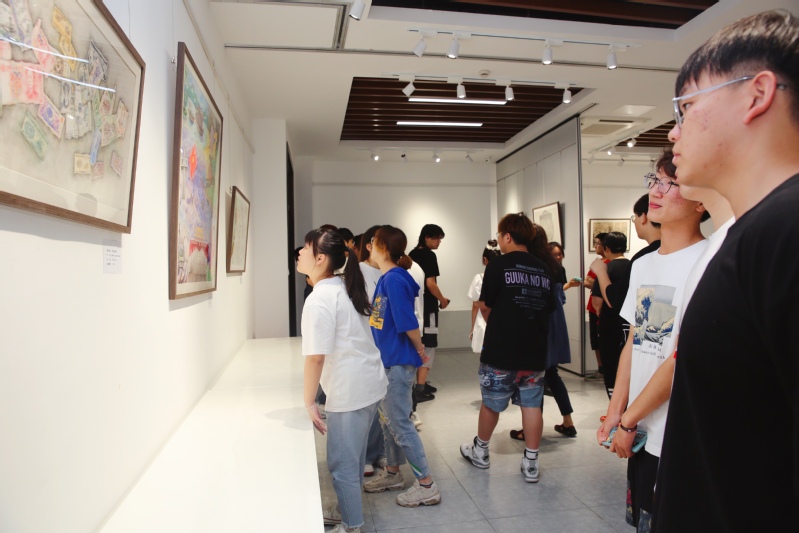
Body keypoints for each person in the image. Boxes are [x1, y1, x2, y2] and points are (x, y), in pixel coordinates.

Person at [654, 11, 799, 531]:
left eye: (687, 107)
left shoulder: (785, 229)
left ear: (757, 94)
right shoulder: (750, 232)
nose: (674, 131)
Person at [596, 149, 708, 533]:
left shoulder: (709, 260)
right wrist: (617, 411)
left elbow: (681, 358)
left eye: (670, 183)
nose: (655, 191)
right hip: (644, 428)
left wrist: (628, 420)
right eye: (655, 180)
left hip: (678, 431)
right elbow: (641, 339)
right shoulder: (645, 263)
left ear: (701, 200)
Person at [298, 228, 388, 533]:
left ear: (320, 258)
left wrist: (309, 402)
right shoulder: (344, 285)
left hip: (351, 391)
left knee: (342, 466)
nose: (300, 252)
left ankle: (351, 526)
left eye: (306, 247)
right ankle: (345, 511)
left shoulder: (320, 298)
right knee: (354, 458)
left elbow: (315, 358)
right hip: (370, 383)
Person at [460, 213, 554, 483]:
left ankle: (480, 451)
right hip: (535, 351)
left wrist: (501, 325)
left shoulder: (498, 265)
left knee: (491, 404)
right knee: (532, 405)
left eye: (500, 235)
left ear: (508, 236)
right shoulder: (544, 269)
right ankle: (531, 463)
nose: (499, 240)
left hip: (501, 350)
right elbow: (547, 310)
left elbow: (485, 306)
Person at [364, 226, 442, 507]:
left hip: (398, 362)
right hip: (388, 360)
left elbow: (406, 319)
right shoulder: (388, 278)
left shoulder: (395, 278)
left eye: (372, 242)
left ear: (383, 246)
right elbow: (380, 319)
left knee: (400, 423)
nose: (368, 246)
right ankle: (393, 473)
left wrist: (420, 348)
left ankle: (427, 484)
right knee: (389, 421)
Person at [510, 238, 581, 442]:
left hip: (542, 323)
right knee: (551, 374)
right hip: (556, 322)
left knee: (536, 376)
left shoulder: (536, 268)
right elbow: (559, 299)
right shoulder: (557, 269)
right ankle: (568, 421)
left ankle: (531, 430)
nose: (557, 257)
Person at [408, 224, 449, 405]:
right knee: (429, 344)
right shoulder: (429, 256)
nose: (439, 242)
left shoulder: (411, 254)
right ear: (427, 238)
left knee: (417, 343)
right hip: (429, 307)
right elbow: (431, 284)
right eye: (437, 238)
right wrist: (442, 300)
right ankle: (420, 388)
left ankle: (418, 383)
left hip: (415, 306)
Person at [358, 224, 387, 476]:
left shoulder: (390, 272)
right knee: (368, 405)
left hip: (387, 345)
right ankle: (367, 455)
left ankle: (380, 453)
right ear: (369, 246)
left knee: (384, 406)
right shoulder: (358, 271)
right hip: (366, 344)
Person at [590, 231, 632, 399]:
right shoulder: (633, 265)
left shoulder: (606, 269)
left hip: (610, 326)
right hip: (630, 325)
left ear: (606, 248)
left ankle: (615, 404)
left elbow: (597, 303)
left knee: (612, 367)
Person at [467, 240, 501, 354]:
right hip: (500, 321)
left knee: (485, 355)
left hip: (482, 322)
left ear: (485, 260)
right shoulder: (505, 278)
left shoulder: (479, 278)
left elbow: (476, 305)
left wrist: (472, 328)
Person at [583, 233, 608, 381]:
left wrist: (596, 282)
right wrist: (597, 283)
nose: (595, 246)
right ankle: (600, 368)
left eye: (598, 243)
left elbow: (604, 285)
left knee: (604, 339)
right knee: (595, 340)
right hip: (593, 306)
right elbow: (586, 282)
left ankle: (607, 369)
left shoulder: (610, 263)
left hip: (604, 308)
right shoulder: (597, 263)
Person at [630, 194, 662, 263]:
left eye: (635, 217)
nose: (634, 221)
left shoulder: (641, 259)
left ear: (643, 217)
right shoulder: (678, 250)